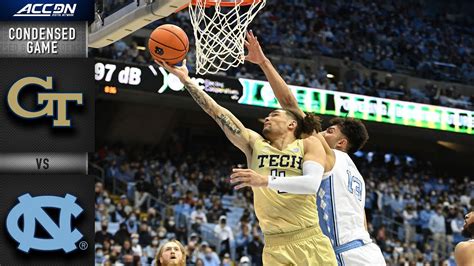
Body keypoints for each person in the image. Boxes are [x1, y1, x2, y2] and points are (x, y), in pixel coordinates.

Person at [157, 59, 336, 265]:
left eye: (274, 115)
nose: (267, 118)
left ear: (291, 124)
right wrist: (187, 81)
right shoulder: (255, 144)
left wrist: (264, 180)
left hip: (309, 238)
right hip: (274, 244)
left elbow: (311, 184)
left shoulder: (308, 144)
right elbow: (217, 112)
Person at [244, 30, 386, 265]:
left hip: (344, 253)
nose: (320, 133)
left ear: (342, 143)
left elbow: (289, 104)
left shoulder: (329, 155)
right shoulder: (356, 176)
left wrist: (264, 62)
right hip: (367, 252)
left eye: (329, 132)